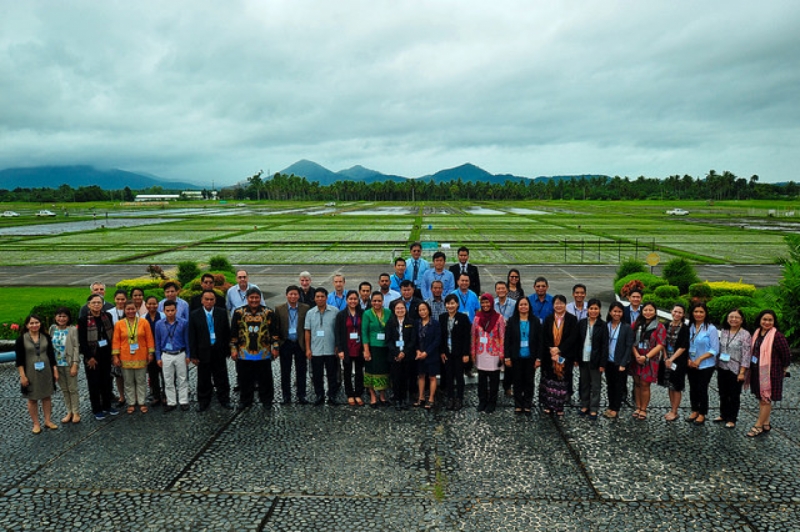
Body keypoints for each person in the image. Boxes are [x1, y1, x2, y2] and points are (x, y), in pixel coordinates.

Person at [230, 287, 280, 410]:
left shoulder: (268, 313)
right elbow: (233, 334)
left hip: (263, 352)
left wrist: (275, 347)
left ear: (260, 298)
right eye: (251, 297)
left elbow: (274, 332)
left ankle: (267, 400)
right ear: (247, 299)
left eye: (256, 297)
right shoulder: (238, 313)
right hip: (244, 352)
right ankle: (246, 400)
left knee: (265, 378)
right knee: (245, 378)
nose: (254, 300)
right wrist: (233, 349)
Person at [746, 309, 791, 437]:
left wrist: (783, 369)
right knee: (762, 398)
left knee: (765, 399)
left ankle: (758, 425)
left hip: (770, 373)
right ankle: (766, 423)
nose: (767, 322)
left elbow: (786, 355)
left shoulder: (777, 336)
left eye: (770, 320)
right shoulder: (757, 333)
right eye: (764, 319)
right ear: (760, 320)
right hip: (757, 371)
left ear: (774, 321)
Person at [189, 289, 233, 412]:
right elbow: (192, 336)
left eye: (211, 299)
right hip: (203, 351)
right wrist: (193, 354)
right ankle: (203, 401)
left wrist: (228, 350)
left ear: (215, 301)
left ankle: (224, 399)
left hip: (218, 350)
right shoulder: (194, 315)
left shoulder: (222, 313)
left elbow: (226, 332)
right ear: (202, 300)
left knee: (222, 377)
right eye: (206, 299)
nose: (209, 302)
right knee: (203, 378)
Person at [16, 314, 59, 433]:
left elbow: (51, 355)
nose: (34, 325)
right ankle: (36, 423)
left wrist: (54, 370)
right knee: (32, 398)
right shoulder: (21, 339)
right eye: (31, 323)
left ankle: (48, 420)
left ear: (40, 324)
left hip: (46, 370)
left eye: (36, 323)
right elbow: (19, 360)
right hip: (30, 371)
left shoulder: (45, 337)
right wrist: (22, 376)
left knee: (47, 396)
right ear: (27, 325)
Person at [112, 300, 156, 414]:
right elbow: (116, 341)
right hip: (125, 356)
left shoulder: (144, 322)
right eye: (128, 309)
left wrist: (150, 353)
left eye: (133, 309)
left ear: (136, 309)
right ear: (125, 310)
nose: (131, 311)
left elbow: (149, 338)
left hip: (141, 355)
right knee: (128, 381)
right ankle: (131, 403)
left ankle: (141, 402)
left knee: (141, 380)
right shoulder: (119, 324)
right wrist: (115, 356)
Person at [79, 294, 118, 420]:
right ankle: (96, 408)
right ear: (89, 304)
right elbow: (82, 341)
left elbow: (111, 335)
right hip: (92, 356)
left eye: (99, 302)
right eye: (93, 303)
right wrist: (89, 356)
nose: (96, 305)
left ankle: (107, 405)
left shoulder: (107, 316)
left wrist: (113, 353)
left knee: (106, 381)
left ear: (102, 304)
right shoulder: (84, 320)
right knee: (94, 383)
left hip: (106, 354)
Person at [540, 295, 578, 416]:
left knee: (562, 380)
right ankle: (549, 405)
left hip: (565, 355)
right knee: (550, 380)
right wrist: (552, 349)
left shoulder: (572, 319)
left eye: (561, 303)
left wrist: (560, 349)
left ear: (565, 305)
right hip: (550, 355)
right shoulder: (548, 319)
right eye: (556, 303)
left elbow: (573, 338)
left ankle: (559, 406)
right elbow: (544, 336)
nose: (559, 306)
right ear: (553, 305)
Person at [714, 309, 751, 428]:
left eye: (736, 317)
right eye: (731, 317)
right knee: (723, 393)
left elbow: (746, 354)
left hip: (736, 369)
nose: (733, 319)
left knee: (734, 395)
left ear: (742, 320)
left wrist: (742, 372)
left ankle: (732, 418)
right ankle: (723, 414)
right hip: (722, 366)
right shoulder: (724, 331)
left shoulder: (745, 334)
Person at [504, 297, 541, 416]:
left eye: (525, 304)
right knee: (517, 381)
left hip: (530, 356)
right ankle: (518, 404)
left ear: (529, 306)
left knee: (529, 381)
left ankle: (527, 404)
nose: (523, 307)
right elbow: (507, 340)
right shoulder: (512, 321)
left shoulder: (535, 321)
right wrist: (507, 357)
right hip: (516, 356)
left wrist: (538, 358)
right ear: (517, 307)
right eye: (521, 305)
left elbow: (540, 341)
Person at [630, 302, 666, 421]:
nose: (648, 312)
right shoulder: (636, 324)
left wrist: (646, 357)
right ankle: (638, 406)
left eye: (651, 310)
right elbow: (630, 341)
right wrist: (636, 355)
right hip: (636, 358)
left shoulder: (659, 327)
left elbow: (660, 345)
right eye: (645, 310)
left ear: (655, 312)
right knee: (637, 383)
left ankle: (644, 409)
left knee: (645, 384)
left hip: (650, 359)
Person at [154, 300, 191, 412]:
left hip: (180, 353)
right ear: (163, 311)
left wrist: (188, 355)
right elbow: (157, 342)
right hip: (166, 354)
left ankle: (183, 401)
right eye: (167, 311)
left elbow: (187, 340)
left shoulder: (183, 323)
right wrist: (158, 357)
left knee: (182, 378)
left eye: (172, 310)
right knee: (168, 379)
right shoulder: (159, 324)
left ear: (176, 310)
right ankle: (171, 402)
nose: (170, 313)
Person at [685, 302, 718, 425]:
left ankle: (702, 413)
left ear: (705, 313)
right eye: (696, 311)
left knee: (702, 388)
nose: (698, 314)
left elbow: (715, 349)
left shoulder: (711, 328)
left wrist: (699, 359)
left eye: (701, 312)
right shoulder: (689, 327)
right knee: (693, 388)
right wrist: (688, 359)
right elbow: (685, 345)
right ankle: (694, 410)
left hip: (705, 365)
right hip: (690, 363)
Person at [471, 294, 506, 414]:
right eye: (483, 303)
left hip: (494, 352)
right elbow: (474, 336)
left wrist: (502, 353)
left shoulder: (499, 318)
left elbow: (502, 337)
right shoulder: (477, 317)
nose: (485, 305)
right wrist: (473, 352)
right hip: (481, 352)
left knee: (494, 380)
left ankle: (492, 402)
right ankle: (482, 401)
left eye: (487, 303)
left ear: (491, 303)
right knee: (482, 379)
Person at [275, 285, 310, 405]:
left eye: (295, 294)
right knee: (285, 371)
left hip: (300, 343)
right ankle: (286, 396)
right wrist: (278, 344)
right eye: (291, 294)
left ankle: (301, 395)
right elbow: (277, 327)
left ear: (299, 296)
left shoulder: (305, 308)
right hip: (286, 343)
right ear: (286, 295)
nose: (293, 296)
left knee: (301, 370)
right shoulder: (279, 309)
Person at [305, 287, 340, 406]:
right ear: (314, 298)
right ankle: (319, 395)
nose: (320, 299)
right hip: (316, 349)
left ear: (326, 298)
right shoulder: (310, 313)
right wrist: (308, 349)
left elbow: (338, 330)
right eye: (317, 297)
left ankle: (332, 395)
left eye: (322, 296)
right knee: (317, 374)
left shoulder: (335, 311)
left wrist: (337, 346)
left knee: (332, 374)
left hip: (331, 348)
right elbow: (307, 331)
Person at [577, 299, 608, 420]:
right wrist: (576, 358)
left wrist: (602, 363)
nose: (593, 311)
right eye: (591, 308)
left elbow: (604, 345)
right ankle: (585, 405)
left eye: (596, 308)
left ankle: (594, 408)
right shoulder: (582, 323)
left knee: (595, 385)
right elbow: (578, 341)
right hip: (583, 357)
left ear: (599, 310)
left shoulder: (603, 325)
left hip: (596, 359)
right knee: (584, 383)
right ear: (587, 309)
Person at [49, 308, 81, 424]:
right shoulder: (52, 329)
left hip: (69, 363)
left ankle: (76, 412)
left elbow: (76, 347)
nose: (61, 319)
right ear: (55, 317)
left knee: (72, 389)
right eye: (59, 316)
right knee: (64, 390)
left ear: (68, 318)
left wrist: (75, 364)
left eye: (64, 316)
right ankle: (69, 412)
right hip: (57, 364)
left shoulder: (72, 329)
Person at [603, 302, 634, 419]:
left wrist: (623, 363)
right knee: (610, 385)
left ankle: (615, 409)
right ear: (610, 312)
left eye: (619, 311)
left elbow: (628, 346)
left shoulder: (626, 328)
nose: (617, 314)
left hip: (620, 362)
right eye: (614, 311)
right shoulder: (606, 325)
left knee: (619, 386)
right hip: (608, 361)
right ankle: (610, 406)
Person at [440, 294, 471, 411]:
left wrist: (466, 353)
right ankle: (450, 398)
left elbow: (466, 337)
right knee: (448, 376)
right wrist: (442, 351)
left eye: (453, 303)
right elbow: (441, 336)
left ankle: (459, 398)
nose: (450, 306)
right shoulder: (442, 317)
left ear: (457, 304)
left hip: (459, 353)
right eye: (448, 303)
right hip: (447, 352)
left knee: (459, 376)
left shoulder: (463, 318)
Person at [335, 290, 365, 407]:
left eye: (355, 299)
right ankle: (349, 394)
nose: (353, 301)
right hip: (347, 347)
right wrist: (340, 349)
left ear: (358, 300)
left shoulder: (363, 313)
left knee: (359, 372)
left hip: (359, 346)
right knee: (347, 372)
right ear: (347, 300)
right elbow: (337, 332)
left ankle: (358, 393)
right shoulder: (341, 315)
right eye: (350, 299)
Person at [386, 300, 418, 410]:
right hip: (394, 356)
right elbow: (388, 340)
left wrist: (404, 352)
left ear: (406, 309)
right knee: (396, 378)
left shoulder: (411, 322)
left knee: (405, 378)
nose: (400, 310)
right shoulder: (390, 323)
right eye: (397, 308)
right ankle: (397, 399)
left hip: (407, 355)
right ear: (394, 310)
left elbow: (413, 340)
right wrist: (396, 352)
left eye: (402, 308)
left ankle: (404, 399)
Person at [661, 304, 690, 422]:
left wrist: (671, 359)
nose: (677, 314)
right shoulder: (666, 325)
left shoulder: (685, 328)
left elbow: (683, 346)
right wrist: (665, 357)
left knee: (677, 386)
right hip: (666, 359)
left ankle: (675, 411)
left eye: (680, 312)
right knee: (669, 384)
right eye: (675, 311)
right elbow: (662, 342)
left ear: (683, 315)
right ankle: (672, 408)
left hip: (678, 361)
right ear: (671, 311)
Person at [362, 291, 391, 407]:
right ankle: (373, 395)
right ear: (371, 301)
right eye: (374, 301)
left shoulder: (388, 313)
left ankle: (382, 395)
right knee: (371, 371)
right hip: (372, 347)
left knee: (384, 371)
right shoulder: (367, 314)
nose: (377, 303)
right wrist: (366, 350)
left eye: (379, 300)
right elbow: (364, 332)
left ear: (383, 301)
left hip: (385, 347)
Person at [414, 302, 441, 409]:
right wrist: (417, 350)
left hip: (432, 354)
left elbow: (437, 340)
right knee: (421, 375)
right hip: (419, 354)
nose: (422, 312)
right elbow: (414, 338)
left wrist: (427, 352)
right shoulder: (417, 323)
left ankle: (431, 398)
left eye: (424, 309)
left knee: (432, 377)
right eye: (420, 310)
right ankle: (421, 397)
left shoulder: (435, 323)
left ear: (428, 310)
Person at [143, 295, 165, 407]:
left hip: (162, 349)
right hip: (149, 351)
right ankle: (156, 396)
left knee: (165, 374)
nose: (152, 306)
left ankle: (165, 396)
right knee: (153, 374)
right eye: (149, 304)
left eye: (154, 303)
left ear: (158, 304)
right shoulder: (142, 318)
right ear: (146, 305)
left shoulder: (163, 316)